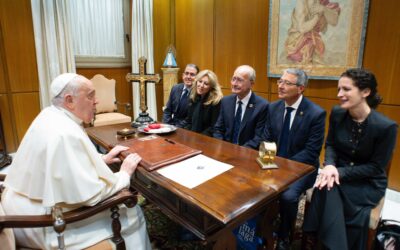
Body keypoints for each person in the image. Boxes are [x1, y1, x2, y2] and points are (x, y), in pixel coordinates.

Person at [2, 73, 151, 249]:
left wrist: (101, 159)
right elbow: (92, 195)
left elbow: (61, 167)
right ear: (69, 100)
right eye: (90, 95)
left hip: (21, 209)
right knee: (132, 211)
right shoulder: (64, 133)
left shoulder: (50, 115)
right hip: (45, 224)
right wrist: (124, 174)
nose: (96, 101)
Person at [303, 69, 398, 250]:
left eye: (346, 89)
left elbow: (376, 168)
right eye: (339, 89)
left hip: (367, 183)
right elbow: (330, 144)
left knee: (325, 186)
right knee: (328, 184)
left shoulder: (386, 127)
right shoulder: (338, 114)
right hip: (338, 175)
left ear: (365, 92)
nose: (339, 94)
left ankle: (319, 238)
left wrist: (337, 171)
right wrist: (330, 165)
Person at [262, 68, 326, 250]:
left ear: (300, 88)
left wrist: (281, 168)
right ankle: (260, 226)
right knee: (253, 185)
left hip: (302, 168)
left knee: (288, 196)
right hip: (274, 163)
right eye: (279, 81)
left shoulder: (316, 113)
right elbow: (267, 139)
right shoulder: (273, 107)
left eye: (286, 83)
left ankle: (284, 234)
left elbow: (311, 152)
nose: (280, 86)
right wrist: (266, 163)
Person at [213, 65, 268, 149]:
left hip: (247, 153)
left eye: (240, 80)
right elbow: (218, 129)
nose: (234, 84)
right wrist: (222, 147)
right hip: (224, 150)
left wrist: (239, 152)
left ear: (252, 84)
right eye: (233, 79)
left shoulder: (262, 106)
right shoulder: (225, 101)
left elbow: (258, 138)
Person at [285, 0, 340, 64]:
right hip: (297, 43)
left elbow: (334, 22)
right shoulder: (302, 3)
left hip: (314, 42)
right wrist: (317, 16)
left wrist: (323, 9)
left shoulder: (324, 3)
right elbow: (302, 29)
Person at [184, 70, 223, 137]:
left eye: (206, 84)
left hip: (206, 139)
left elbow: (213, 127)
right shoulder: (194, 97)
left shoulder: (216, 102)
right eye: (200, 81)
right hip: (192, 136)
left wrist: (197, 138)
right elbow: (189, 121)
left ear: (211, 87)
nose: (201, 85)